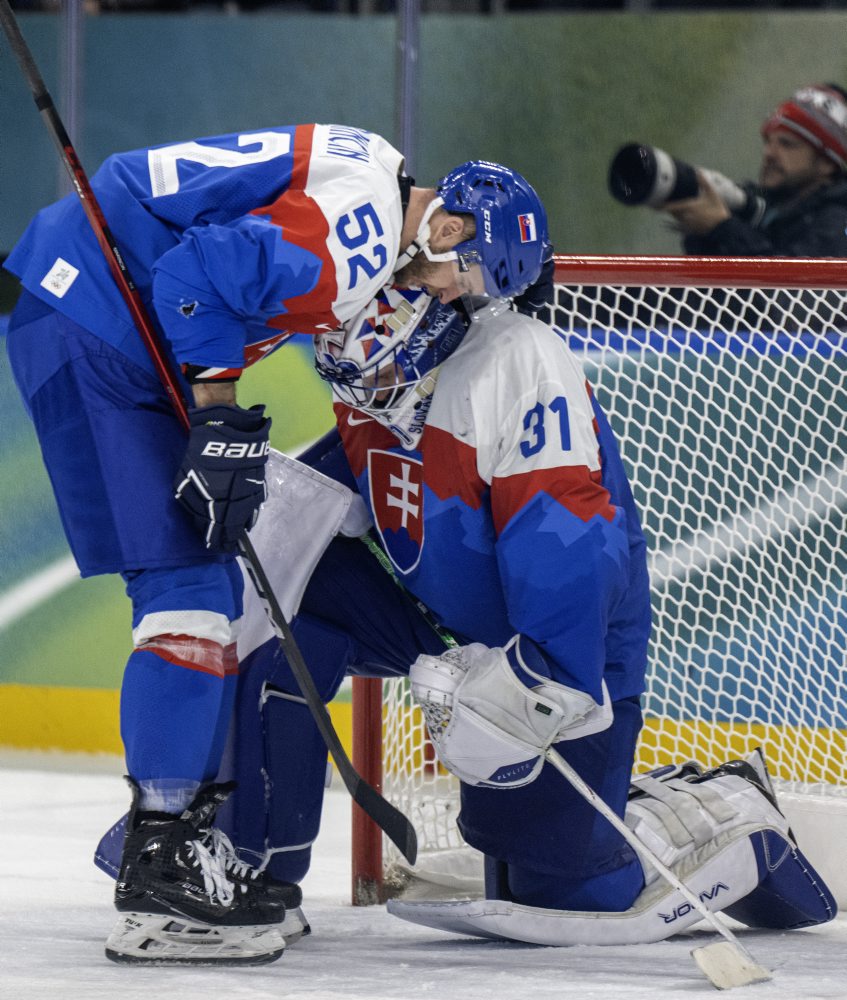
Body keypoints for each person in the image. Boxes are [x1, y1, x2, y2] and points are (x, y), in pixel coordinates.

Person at [2, 123, 552, 964]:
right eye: (462, 277)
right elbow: (193, 275)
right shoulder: (363, 237)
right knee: (187, 591)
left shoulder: (369, 180)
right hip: (94, 323)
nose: (446, 296)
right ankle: (159, 867)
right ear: (448, 227)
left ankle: (174, 839)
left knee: (212, 592)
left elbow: (196, 251)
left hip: (103, 313)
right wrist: (218, 410)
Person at [212, 282, 835, 947]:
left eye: (380, 369)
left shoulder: (513, 361)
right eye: (347, 374)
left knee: (567, 887)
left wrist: (535, 682)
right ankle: (254, 870)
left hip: (562, 637)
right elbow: (347, 486)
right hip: (442, 622)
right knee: (271, 601)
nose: (365, 388)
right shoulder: (375, 370)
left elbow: (568, 541)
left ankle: (719, 805)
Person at [663, 82, 847, 256]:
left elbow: (791, 286)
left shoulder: (838, 222)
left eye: (787, 144)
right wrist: (703, 231)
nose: (769, 153)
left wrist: (722, 227)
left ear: (828, 163)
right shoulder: (760, 203)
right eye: (768, 141)